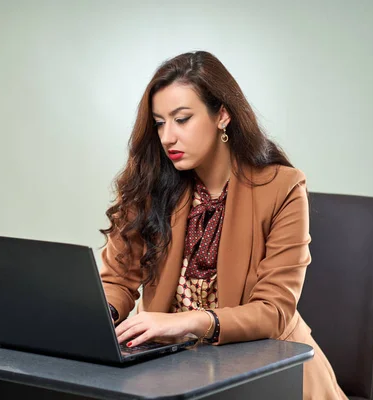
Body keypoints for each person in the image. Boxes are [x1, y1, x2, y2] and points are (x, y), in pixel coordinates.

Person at [99, 51, 347, 399]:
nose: (167, 136)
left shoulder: (283, 188)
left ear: (223, 115)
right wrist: (102, 314)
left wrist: (189, 321)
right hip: (171, 374)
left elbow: (273, 311)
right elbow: (117, 279)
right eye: (159, 122)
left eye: (182, 119)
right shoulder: (152, 184)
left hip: (269, 376)